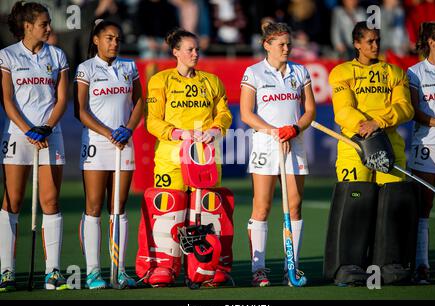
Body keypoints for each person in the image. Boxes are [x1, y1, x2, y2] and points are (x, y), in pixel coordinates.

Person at [327, 21, 415, 285]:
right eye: (369, 41)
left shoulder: (395, 72)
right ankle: (348, 267)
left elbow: (405, 108)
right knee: (356, 201)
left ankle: (389, 266)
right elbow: (343, 110)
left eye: (377, 40)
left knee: (393, 204)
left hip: (390, 145)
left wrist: (378, 123)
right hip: (356, 146)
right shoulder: (341, 72)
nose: (375, 46)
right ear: (356, 44)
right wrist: (365, 128)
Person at [144, 28, 232, 287]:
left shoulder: (212, 81)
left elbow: (223, 113)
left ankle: (203, 268)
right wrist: (176, 133)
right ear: (175, 52)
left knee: (205, 214)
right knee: (168, 213)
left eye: (196, 49)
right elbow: (152, 120)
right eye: (189, 49)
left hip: (205, 157)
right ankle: (166, 267)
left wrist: (216, 129)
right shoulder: (160, 80)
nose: (195, 53)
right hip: (170, 158)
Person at [240, 21, 316, 287]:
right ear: (267, 45)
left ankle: (290, 266)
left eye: (289, 43)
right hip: (266, 144)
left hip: (293, 143)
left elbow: (309, 112)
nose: (287, 48)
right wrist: (276, 132)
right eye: (281, 44)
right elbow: (247, 114)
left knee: (294, 206)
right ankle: (258, 269)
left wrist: (293, 130)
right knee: (262, 206)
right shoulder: (253, 73)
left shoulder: (300, 71)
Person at [0, 1, 70, 291]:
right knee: (12, 202)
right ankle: (6, 271)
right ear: (27, 26)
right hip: (19, 135)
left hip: (50, 135)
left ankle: (53, 271)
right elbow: (7, 100)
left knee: (51, 202)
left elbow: (62, 99)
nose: (49, 28)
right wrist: (29, 129)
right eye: (44, 23)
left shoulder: (57, 55)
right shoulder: (7, 55)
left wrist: (46, 128)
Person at [74, 19, 143, 289]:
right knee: (93, 206)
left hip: (123, 143)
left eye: (117, 39)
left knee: (119, 206)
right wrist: (107, 132)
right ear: (96, 40)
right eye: (109, 38)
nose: (114, 43)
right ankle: (93, 272)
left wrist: (127, 129)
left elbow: (139, 102)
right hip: (96, 144)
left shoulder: (129, 67)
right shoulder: (86, 68)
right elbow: (80, 111)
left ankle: (119, 269)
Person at [406, 22, 435, 284]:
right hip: (427, 145)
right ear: (431, 42)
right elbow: (415, 113)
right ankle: (421, 266)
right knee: (423, 206)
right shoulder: (414, 72)